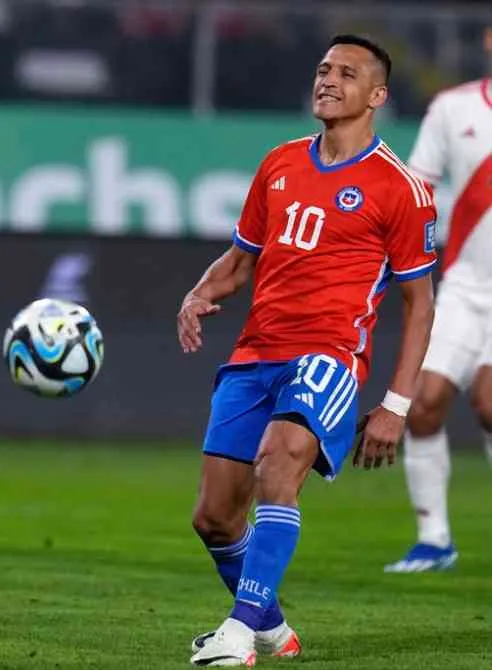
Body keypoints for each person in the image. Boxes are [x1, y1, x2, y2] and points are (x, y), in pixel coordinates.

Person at [177, 35, 437, 666]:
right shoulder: (280, 164)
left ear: (377, 96)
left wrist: (396, 405)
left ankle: (238, 635)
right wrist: (198, 292)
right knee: (213, 518)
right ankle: (270, 628)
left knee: (278, 463)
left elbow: (419, 303)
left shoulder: (401, 188)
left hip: (329, 355)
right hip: (254, 353)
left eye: (347, 74)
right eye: (323, 69)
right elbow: (241, 260)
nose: (328, 80)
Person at [385, 26, 492, 574]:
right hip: (464, 287)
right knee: (423, 403)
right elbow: (416, 189)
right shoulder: (452, 109)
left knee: (491, 406)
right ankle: (434, 539)